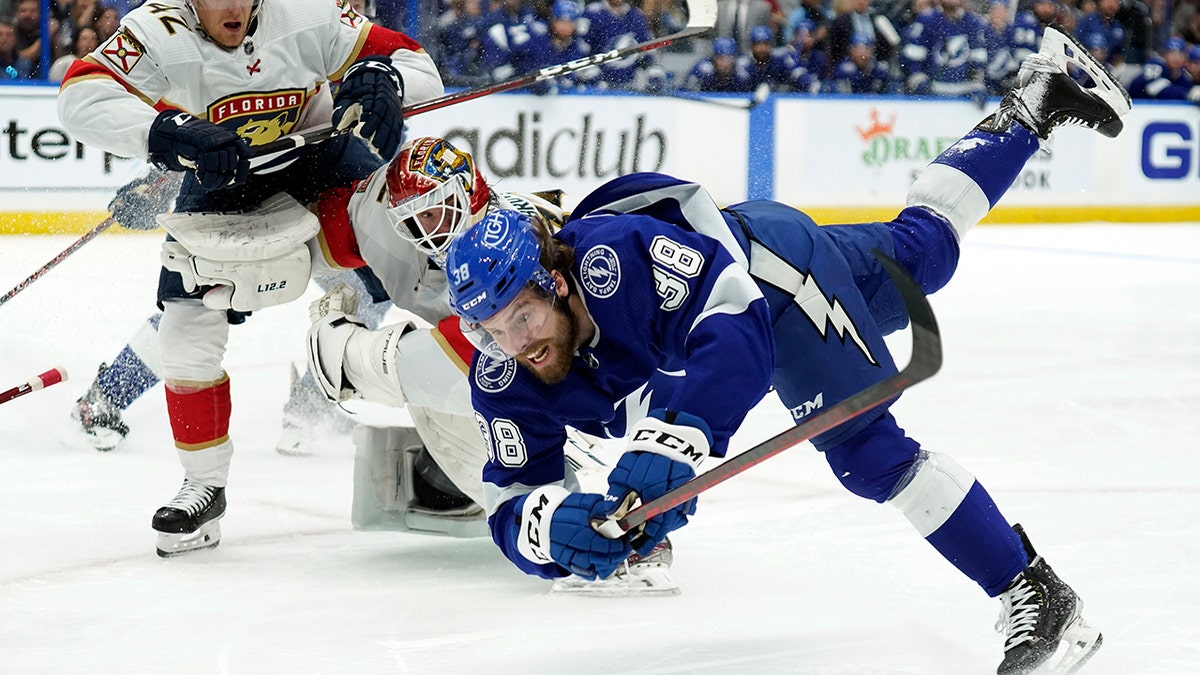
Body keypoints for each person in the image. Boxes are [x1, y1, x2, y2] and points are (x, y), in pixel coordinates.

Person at [442, 26, 1129, 673]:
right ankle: (1035, 101)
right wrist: (540, 529)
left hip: (772, 282)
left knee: (865, 451)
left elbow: (734, 324)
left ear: (556, 282)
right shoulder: (504, 370)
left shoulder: (616, 261)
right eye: (491, 329)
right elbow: (509, 491)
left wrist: (677, 441)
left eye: (524, 315)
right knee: (925, 252)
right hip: (762, 242)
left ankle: (1034, 591)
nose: (513, 341)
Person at [56, 0, 443, 558]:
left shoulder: (307, 12)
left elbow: (411, 61)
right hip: (225, 184)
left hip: (326, 164)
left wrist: (386, 78)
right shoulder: (157, 29)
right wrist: (162, 139)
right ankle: (201, 483)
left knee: (407, 253)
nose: (233, 6)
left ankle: (492, 386)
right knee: (187, 317)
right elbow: (82, 96)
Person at [305, 135, 681, 593]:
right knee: (455, 410)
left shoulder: (506, 235)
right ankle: (542, 514)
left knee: (490, 391)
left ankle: (614, 526)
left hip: (598, 366)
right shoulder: (392, 224)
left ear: (469, 191)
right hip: (543, 366)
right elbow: (315, 229)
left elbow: (490, 358)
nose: (428, 229)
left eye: (436, 209)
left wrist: (354, 357)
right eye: (413, 219)